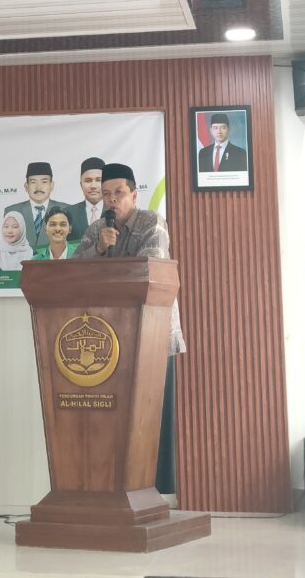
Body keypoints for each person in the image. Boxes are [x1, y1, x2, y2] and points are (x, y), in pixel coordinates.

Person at [73, 162, 185, 493]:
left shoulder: (152, 222)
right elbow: (72, 272)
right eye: (106, 194)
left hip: (151, 336)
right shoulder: (97, 230)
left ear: (134, 195)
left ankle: (154, 492)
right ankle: (113, 490)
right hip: (108, 340)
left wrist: (105, 266)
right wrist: (98, 249)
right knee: (115, 420)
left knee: (148, 420)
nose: (112, 200)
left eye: (119, 193)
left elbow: (147, 271)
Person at [4, 161, 67, 251]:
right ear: (26, 186)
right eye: (33, 182)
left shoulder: (67, 209)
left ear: (52, 185)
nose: (38, 187)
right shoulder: (13, 211)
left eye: (44, 182)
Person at [67, 156, 105, 241]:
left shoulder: (116, 211)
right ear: (81, 184)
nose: (93, 186)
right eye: (88, 180)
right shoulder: (68, 213)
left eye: (98, 180)